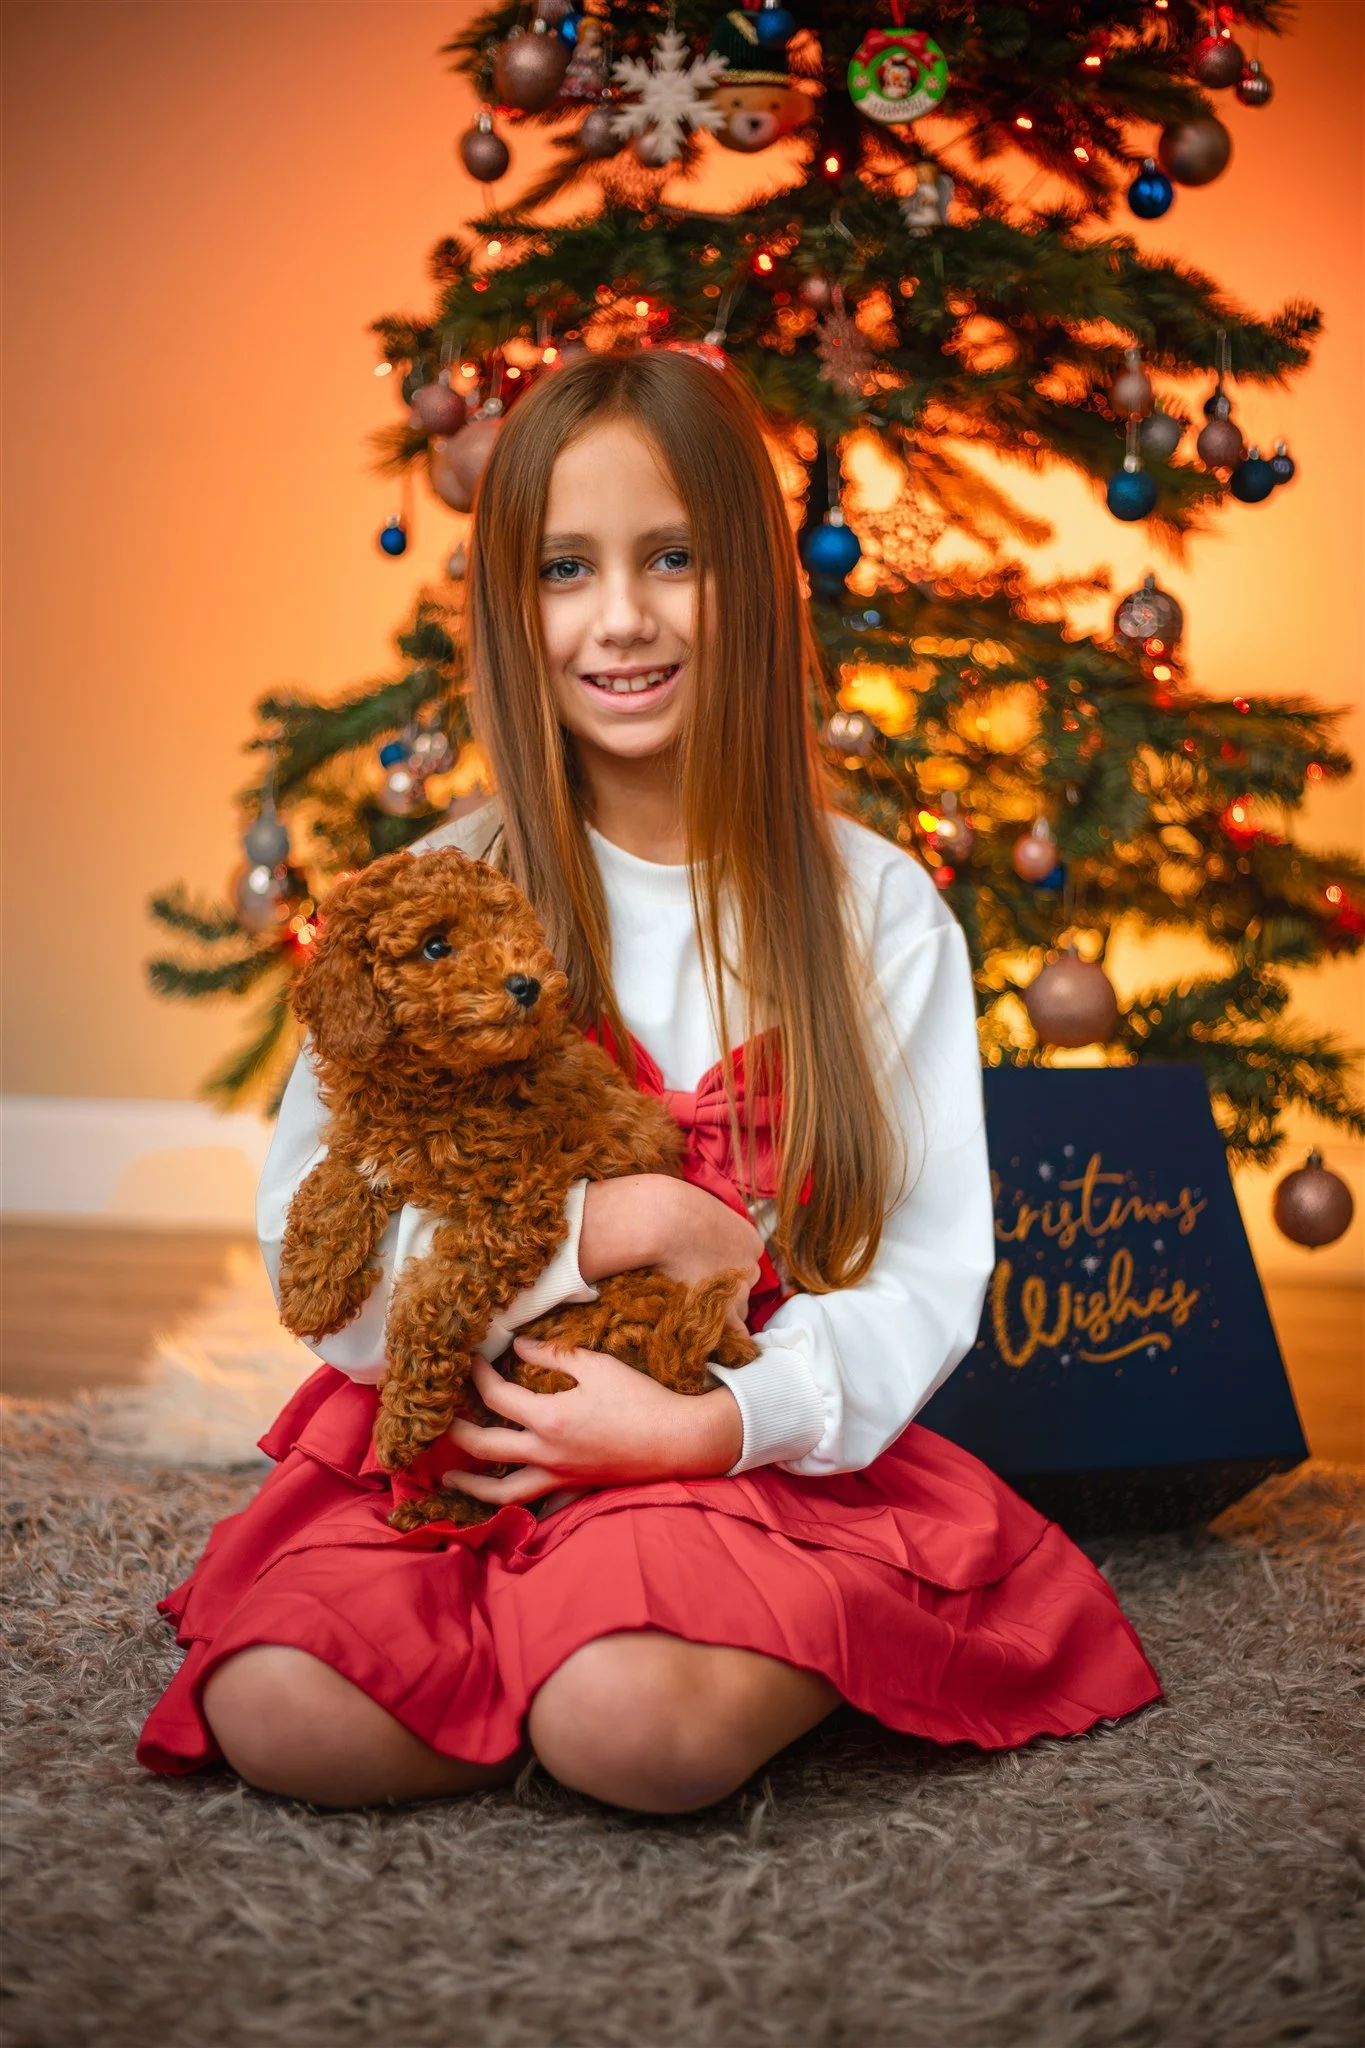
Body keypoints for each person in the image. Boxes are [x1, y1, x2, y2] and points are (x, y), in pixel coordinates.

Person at [137, 348, 1163, 1813]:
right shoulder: (441, 898)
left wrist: (701, 1429)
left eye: (672, 556)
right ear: (509, 607)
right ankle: (517, 1642)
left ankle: (656, 1647)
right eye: (566, 568)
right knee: (280, 1713)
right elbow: (316, 1235)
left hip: (733, 1440)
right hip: (475, 1433)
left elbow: (931, 1275)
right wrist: (595, 1238)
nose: (622, 617)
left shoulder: (874, 913)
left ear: (753, 576)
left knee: (631, 1729)